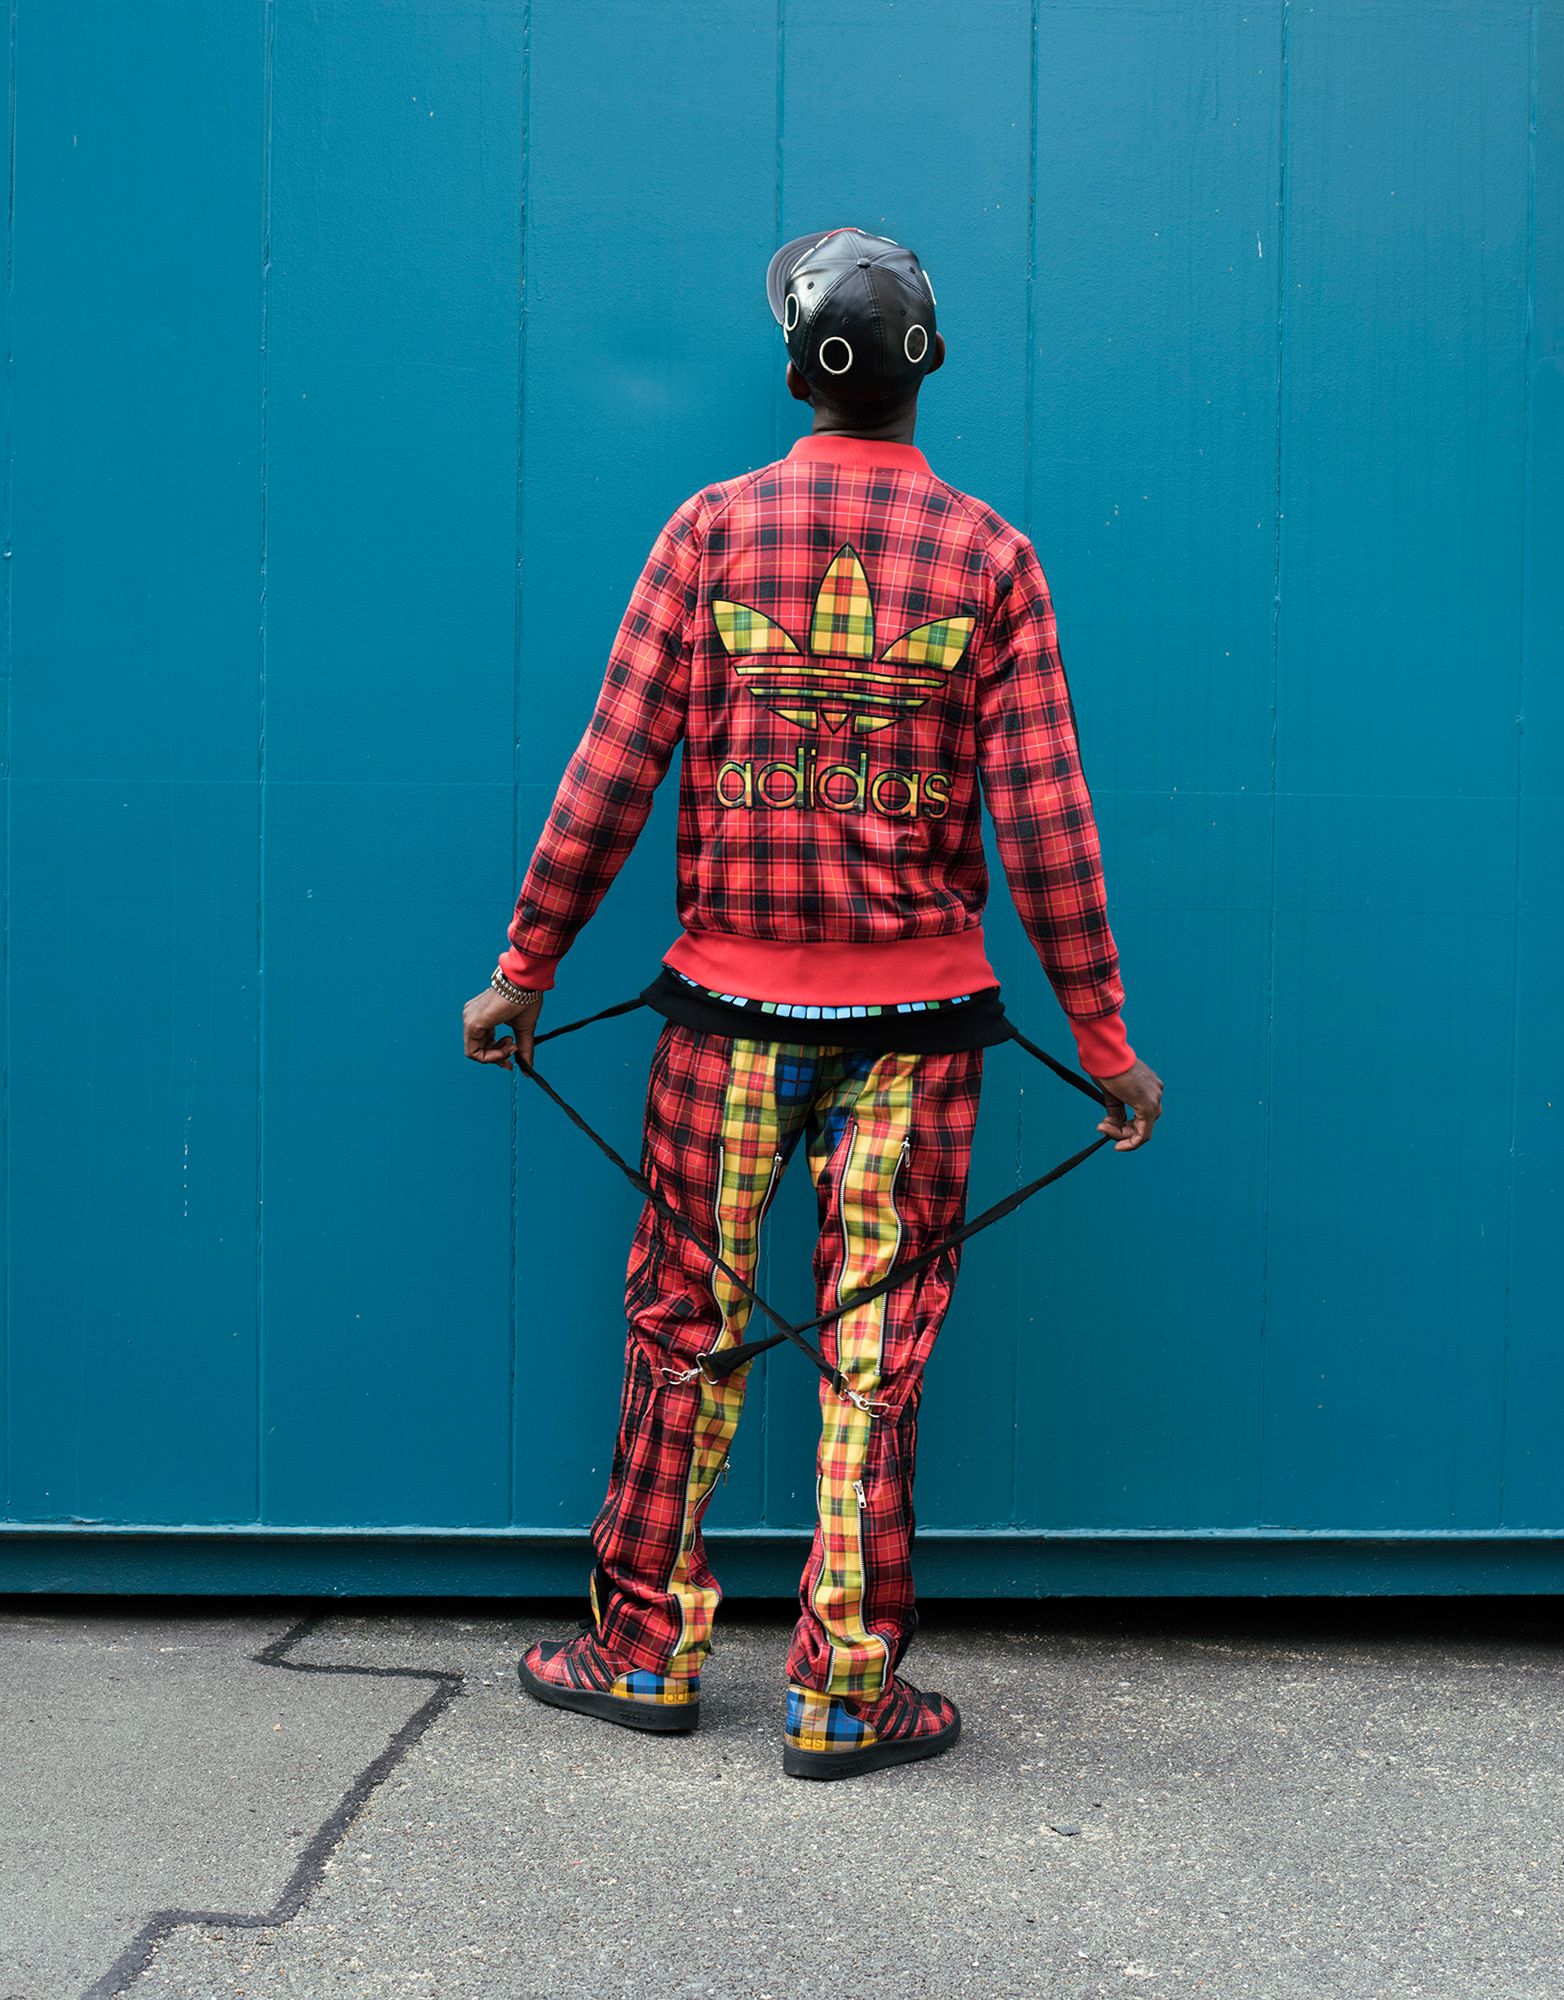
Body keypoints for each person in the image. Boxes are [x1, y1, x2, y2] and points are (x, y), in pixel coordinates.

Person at [462, 226, 1163, 1782]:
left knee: (681, 1324)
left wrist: (526, 971)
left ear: (796, 365)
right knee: (875, 1348)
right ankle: (845, 1690)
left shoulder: (710, 532)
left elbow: (613, 773)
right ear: (927, 366)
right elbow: (1050, 828)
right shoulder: (990, 558)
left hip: (725, 1022)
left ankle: (642, 1649)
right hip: (925, 1042)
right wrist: (1106, 1047)